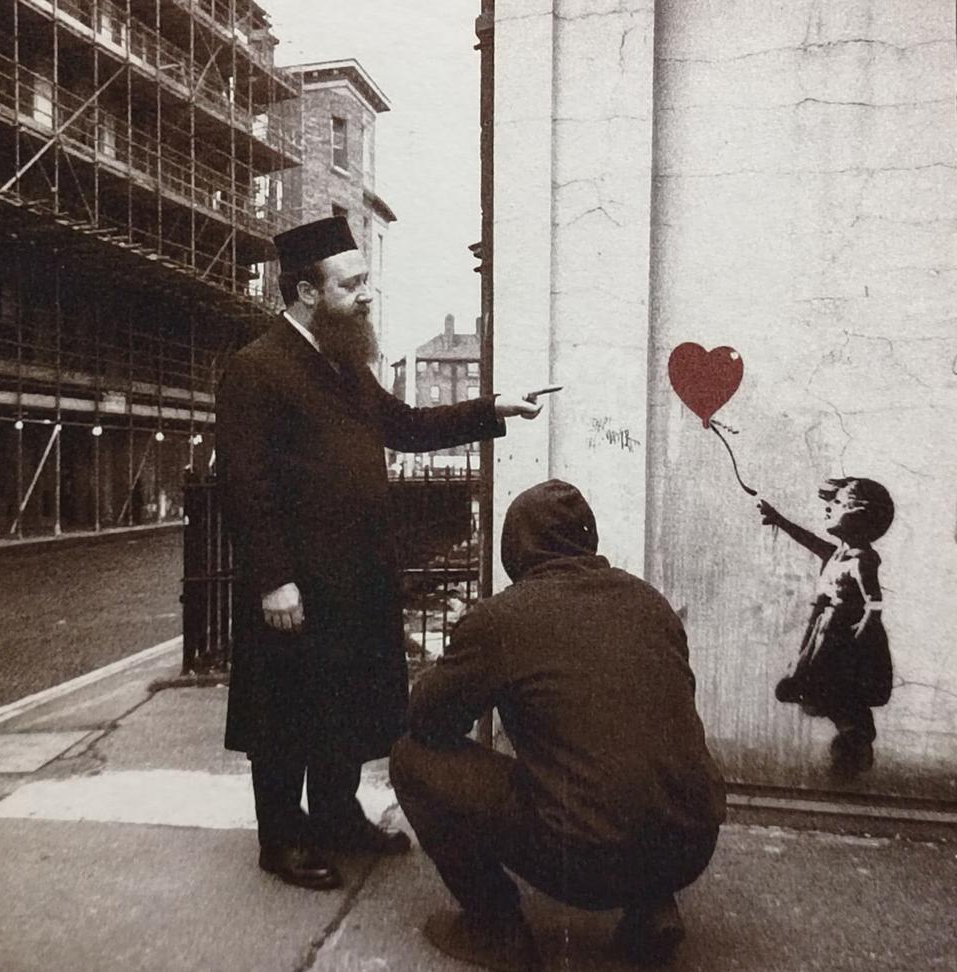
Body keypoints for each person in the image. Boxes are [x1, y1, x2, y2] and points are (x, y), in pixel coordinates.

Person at [215, 216, 543, 892]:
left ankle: (337, 817)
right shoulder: (256, 368)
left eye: (366, 281)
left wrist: (494, 409)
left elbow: (409, 426)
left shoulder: (344, 365)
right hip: (296, 585)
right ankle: (282, 840)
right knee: (286, 715)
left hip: (353, 579)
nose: (367, 295)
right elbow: (245, 487)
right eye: (352, 284)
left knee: (341, 706)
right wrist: (274, 581)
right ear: (307, 292)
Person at [390, 480, 726, 970]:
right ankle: (651, 909)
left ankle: (496, 927)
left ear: (514, 547)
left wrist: (465, 658)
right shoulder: (648, 600)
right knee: (630, 758)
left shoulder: (503, 618)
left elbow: (426, 719)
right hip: (691, 845)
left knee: (411, 757)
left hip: (587, 860)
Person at [757, 477, 894, 777]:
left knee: (833, 690)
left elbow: (874, 603)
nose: (829, 507)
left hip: (845, 640)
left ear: (860, 515)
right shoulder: (836, 554)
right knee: (827, 693)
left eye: (839, 503)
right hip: (824, 635)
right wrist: (778, 519)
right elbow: (808, 539)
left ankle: (853, 744)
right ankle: (853, 741)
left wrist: (861, 636)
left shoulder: (861, 559)